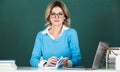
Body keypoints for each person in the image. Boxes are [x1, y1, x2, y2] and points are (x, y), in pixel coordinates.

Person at [30, 0, 82, 68]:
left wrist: (68, 63)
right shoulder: (41, 35)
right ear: (49, 17)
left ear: (64, 17)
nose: (56, 17)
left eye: (60, 14)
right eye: (53, 14)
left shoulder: (71, 33)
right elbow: (33, 59)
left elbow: (77, 58)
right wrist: (46, 63)